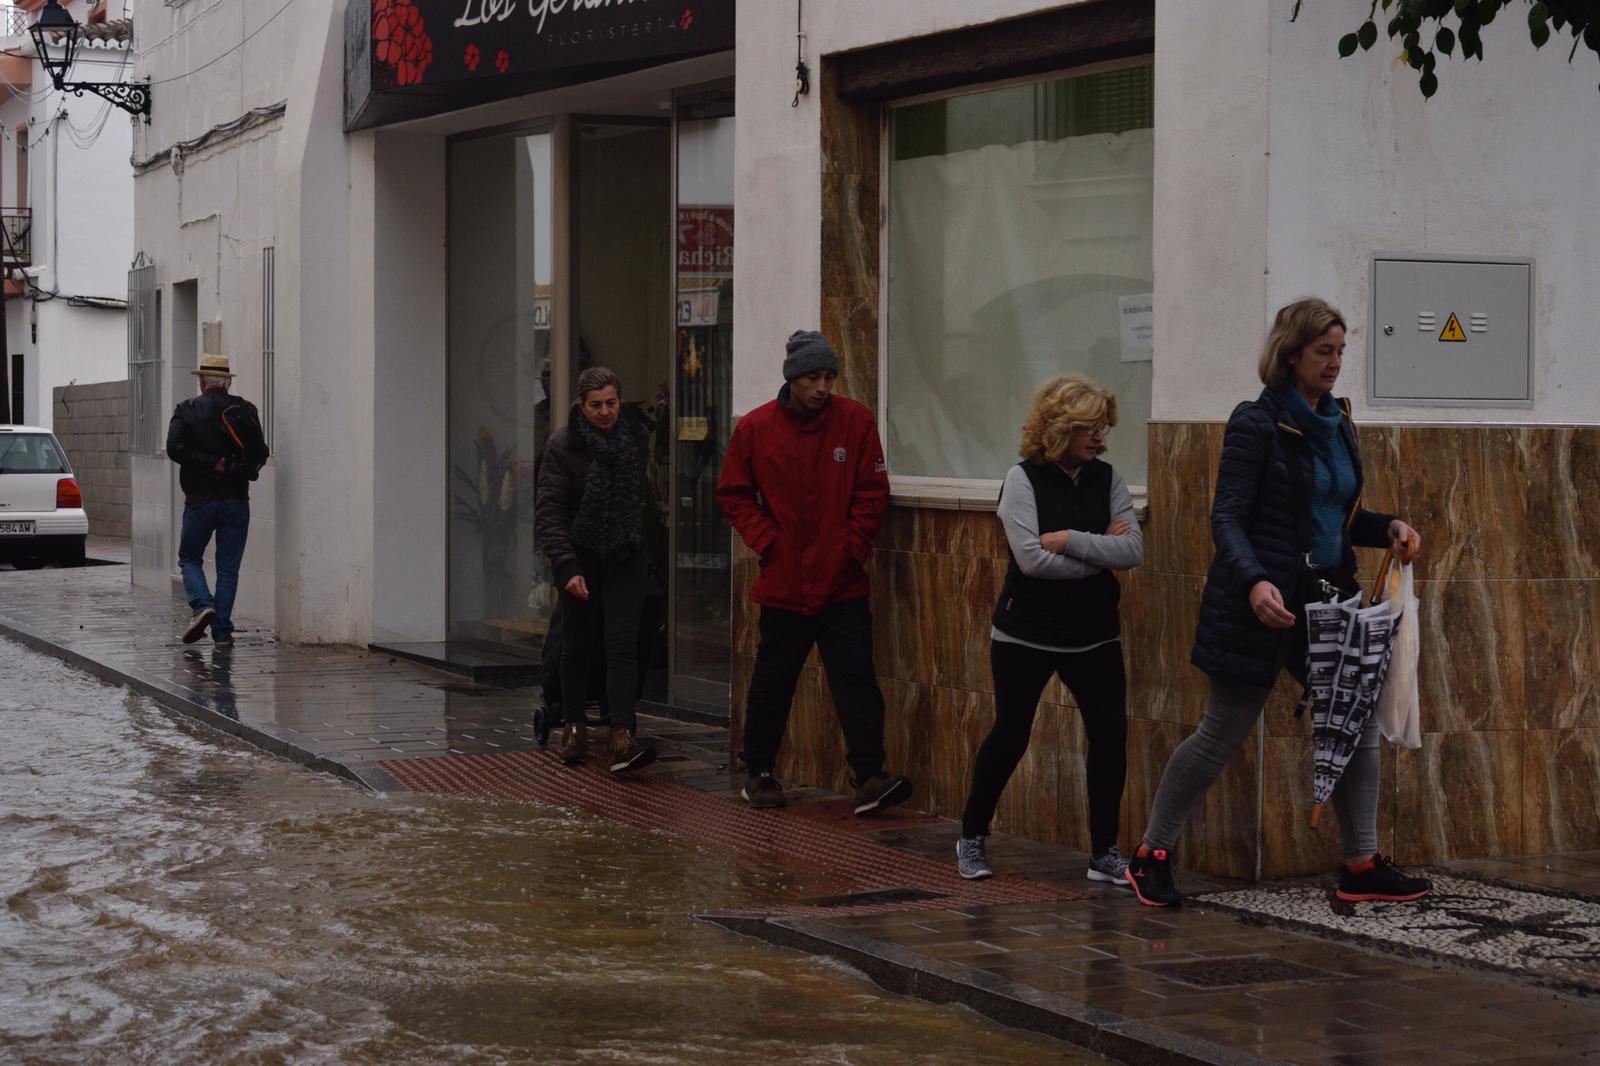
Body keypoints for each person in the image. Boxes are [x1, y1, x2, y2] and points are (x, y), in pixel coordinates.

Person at [1124, 297, 1429, 908]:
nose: (1335, 363)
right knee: (1221, 732)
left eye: (1341, 351)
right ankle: (1150, 854)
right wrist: (1255, 582)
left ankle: (1360, 864)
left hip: (1329, 599)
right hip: (1261, 603)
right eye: (1324, 352)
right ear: (1290, 354)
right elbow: (1228, 517)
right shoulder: (1255, 423)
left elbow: (1335, 515)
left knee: (1354, 724)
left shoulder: (1339, 421)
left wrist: (1388, 526)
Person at [955, 374, 1142, 884]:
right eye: (1091, 429)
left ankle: (1104, 852)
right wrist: (1095, 549)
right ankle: (972, 834)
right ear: (1060, 428)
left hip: (1095, 634)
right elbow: (1033, 561)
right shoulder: (1022, 480)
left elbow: (1132, 550)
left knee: (1110, 735)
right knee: (1011, 735)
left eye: (1104, 428)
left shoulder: (1109, 479)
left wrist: (1070, 540)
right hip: (1025, 633)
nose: (1101, 439)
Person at [716, 329, 911, 815]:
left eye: (828, 377)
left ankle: (869, 776)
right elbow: (734, 495)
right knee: (772, 681)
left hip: (842, 581)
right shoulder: (756, 429)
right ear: (792, 379)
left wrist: (850, 547)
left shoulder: (856, 422)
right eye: (812, 378)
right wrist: (768, 542)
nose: (822, 387)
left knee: (857, 680)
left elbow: (873, 491)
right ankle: (759, 771)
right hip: (784, 584)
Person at [535, 367, 656, 775]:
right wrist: (566, 566)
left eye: (611, 403)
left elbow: (638, 499)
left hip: (625, 553)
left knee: (622, 643)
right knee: (578, 644)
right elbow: (550, 512)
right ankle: (573, 725)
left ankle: (622, 733)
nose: (605, 412)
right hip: (579, 556)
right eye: (596, 405)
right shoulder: (562, 445)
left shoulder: (635, 438)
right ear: (581, 406)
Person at [165, 352, 269, 647]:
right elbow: (261, 452)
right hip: (237, 500)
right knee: (228, 567)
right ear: (225, 381)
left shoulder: (186, 409)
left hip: (199, 500)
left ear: (202, 381)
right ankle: (222, 632)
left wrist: (210, 462)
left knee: (189, 557)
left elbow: (174, 448)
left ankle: (202, 605)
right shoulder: (245, 409)